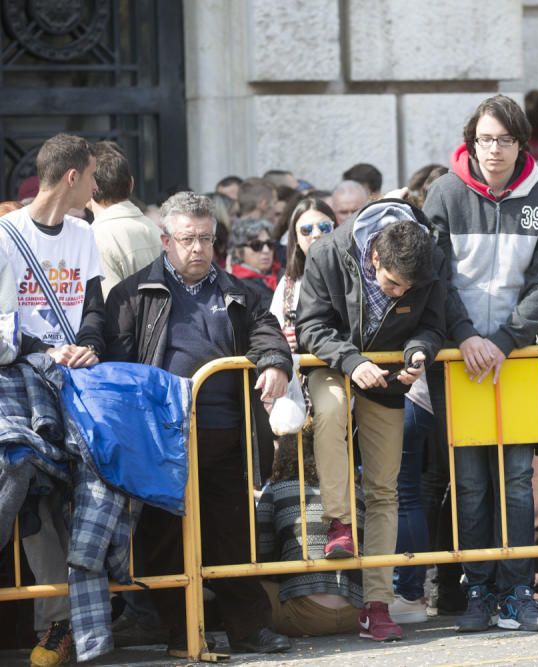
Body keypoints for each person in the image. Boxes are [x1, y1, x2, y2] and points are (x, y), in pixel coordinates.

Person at [104, 191, 292, 657]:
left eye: (206, 239)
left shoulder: (240, 291)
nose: (198, 249)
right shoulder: (131, 294)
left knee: (234, 534)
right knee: (164, 538)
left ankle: (251, 628)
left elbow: (267, 329)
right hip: (161, 437)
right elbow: (116, 363)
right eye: (188, 239)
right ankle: (181, 631)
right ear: (165, 240)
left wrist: (273, 362)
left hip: (226, 435)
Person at [422, 94, 538, 633]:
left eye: (505, 139)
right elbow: (434, 276)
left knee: (515, 481)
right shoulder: (444, 192)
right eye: (486, 139)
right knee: (469, 483)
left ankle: (518, 591)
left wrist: (505, 340)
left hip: (517, 358)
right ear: (471, 140)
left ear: (521, 143)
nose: (495, 150)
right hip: (458, 362)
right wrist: (464, 336)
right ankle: (479, 588)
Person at [296, 199, 446, 642]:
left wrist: (419, 352)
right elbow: (311, 327)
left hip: (388, 377)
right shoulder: (328, 252)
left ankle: (376, 605)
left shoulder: (428, 257)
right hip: (332, 362)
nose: (399, 293)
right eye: (392, 283)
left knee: (385, 487)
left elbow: (434, 326)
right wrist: (350, 359)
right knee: (330, 411)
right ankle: (339, 522)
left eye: (407, 288)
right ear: (373, 256)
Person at [0, 133, 103, 667]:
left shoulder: (84, 233)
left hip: (68, 385)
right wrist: (48, 348)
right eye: (91, 175)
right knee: (18, 472)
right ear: (71, 177)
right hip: (16, 384)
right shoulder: (5, 235)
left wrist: (87, 346)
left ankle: (64, 626)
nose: (95, 185)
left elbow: (93, 305)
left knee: (72, 494)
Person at [256, 427, 364, 638]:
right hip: (357, 613)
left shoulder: (276, 491)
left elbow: (262, 555)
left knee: (240, 583)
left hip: (302, 616)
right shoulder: (354, 492)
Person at [88, 142, 162, 297]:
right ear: (131, 184)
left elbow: (110, 307)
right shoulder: (155, 229)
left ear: (91, 187)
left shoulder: (96, 237)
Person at [270, 197, 335, 352]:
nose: (316, 234)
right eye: (306, 230)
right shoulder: (288, 284)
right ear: (296, 237)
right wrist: (282, 341)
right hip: (297, 371)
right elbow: (272, 334)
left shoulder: (350, 275)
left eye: (325, 227)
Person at [230, 218, 281, 300]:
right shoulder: (237, 287)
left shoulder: (284, 275)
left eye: (269, 244)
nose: (266, 250)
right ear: (238, 252)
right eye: (256, 245)